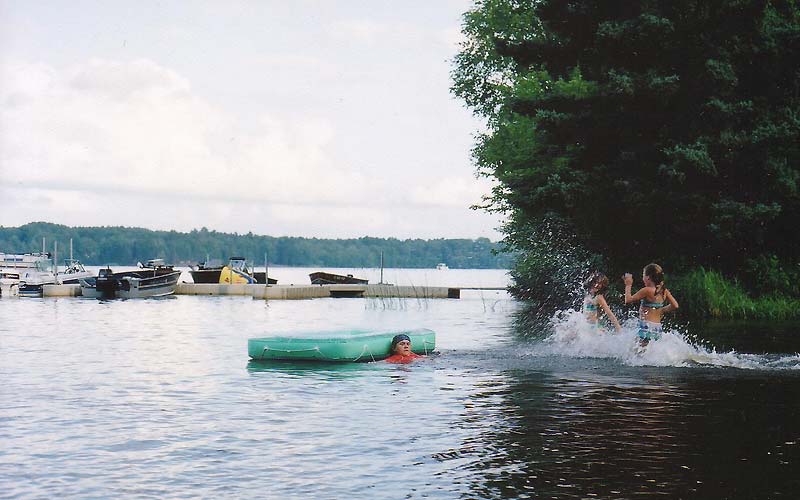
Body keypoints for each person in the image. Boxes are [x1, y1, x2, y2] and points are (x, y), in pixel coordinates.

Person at [623, 263, 679, 346]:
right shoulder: (664, 291)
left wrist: (628, 285)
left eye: (643, 275)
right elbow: (675, 305)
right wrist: (661, 310)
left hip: (646, 327)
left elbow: (628, 300)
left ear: (648, 277)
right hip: (658, 329)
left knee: (635, 354)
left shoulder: (647, 290)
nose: (642, 278)